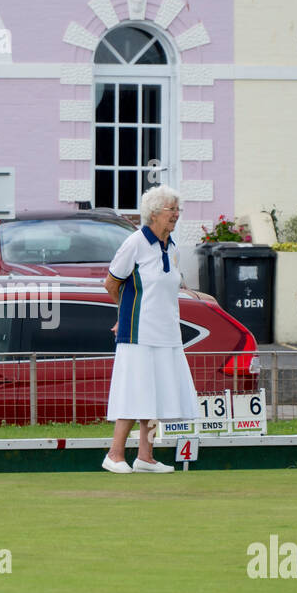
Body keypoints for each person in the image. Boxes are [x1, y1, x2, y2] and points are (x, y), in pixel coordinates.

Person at [102, 186, 197, 474]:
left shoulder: (174, 247)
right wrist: (125, 313)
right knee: (134, 392)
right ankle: (114, 455)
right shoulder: (134, 243)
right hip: (138, 332)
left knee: (155, 394)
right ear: (154, 213)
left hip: (166, 332)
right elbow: (111, 283)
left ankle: (146, 456)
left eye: (177, 210)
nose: (176, 215)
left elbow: (172, 288)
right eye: (171, 210)